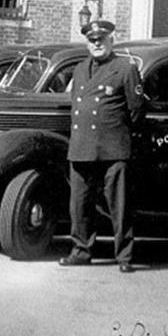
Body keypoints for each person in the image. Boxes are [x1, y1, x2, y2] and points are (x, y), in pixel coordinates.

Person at [59, 19, 146, 273]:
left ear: (111, 40)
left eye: (101, 39)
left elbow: (137, 109)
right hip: (82, 146)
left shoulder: (125, 68)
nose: (96, 44)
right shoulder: (79, 69)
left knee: (119, 206)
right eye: (92, 40)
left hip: (112, 147)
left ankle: (125, 257)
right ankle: (81, 251)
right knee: (79, 205)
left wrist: (117, 132)